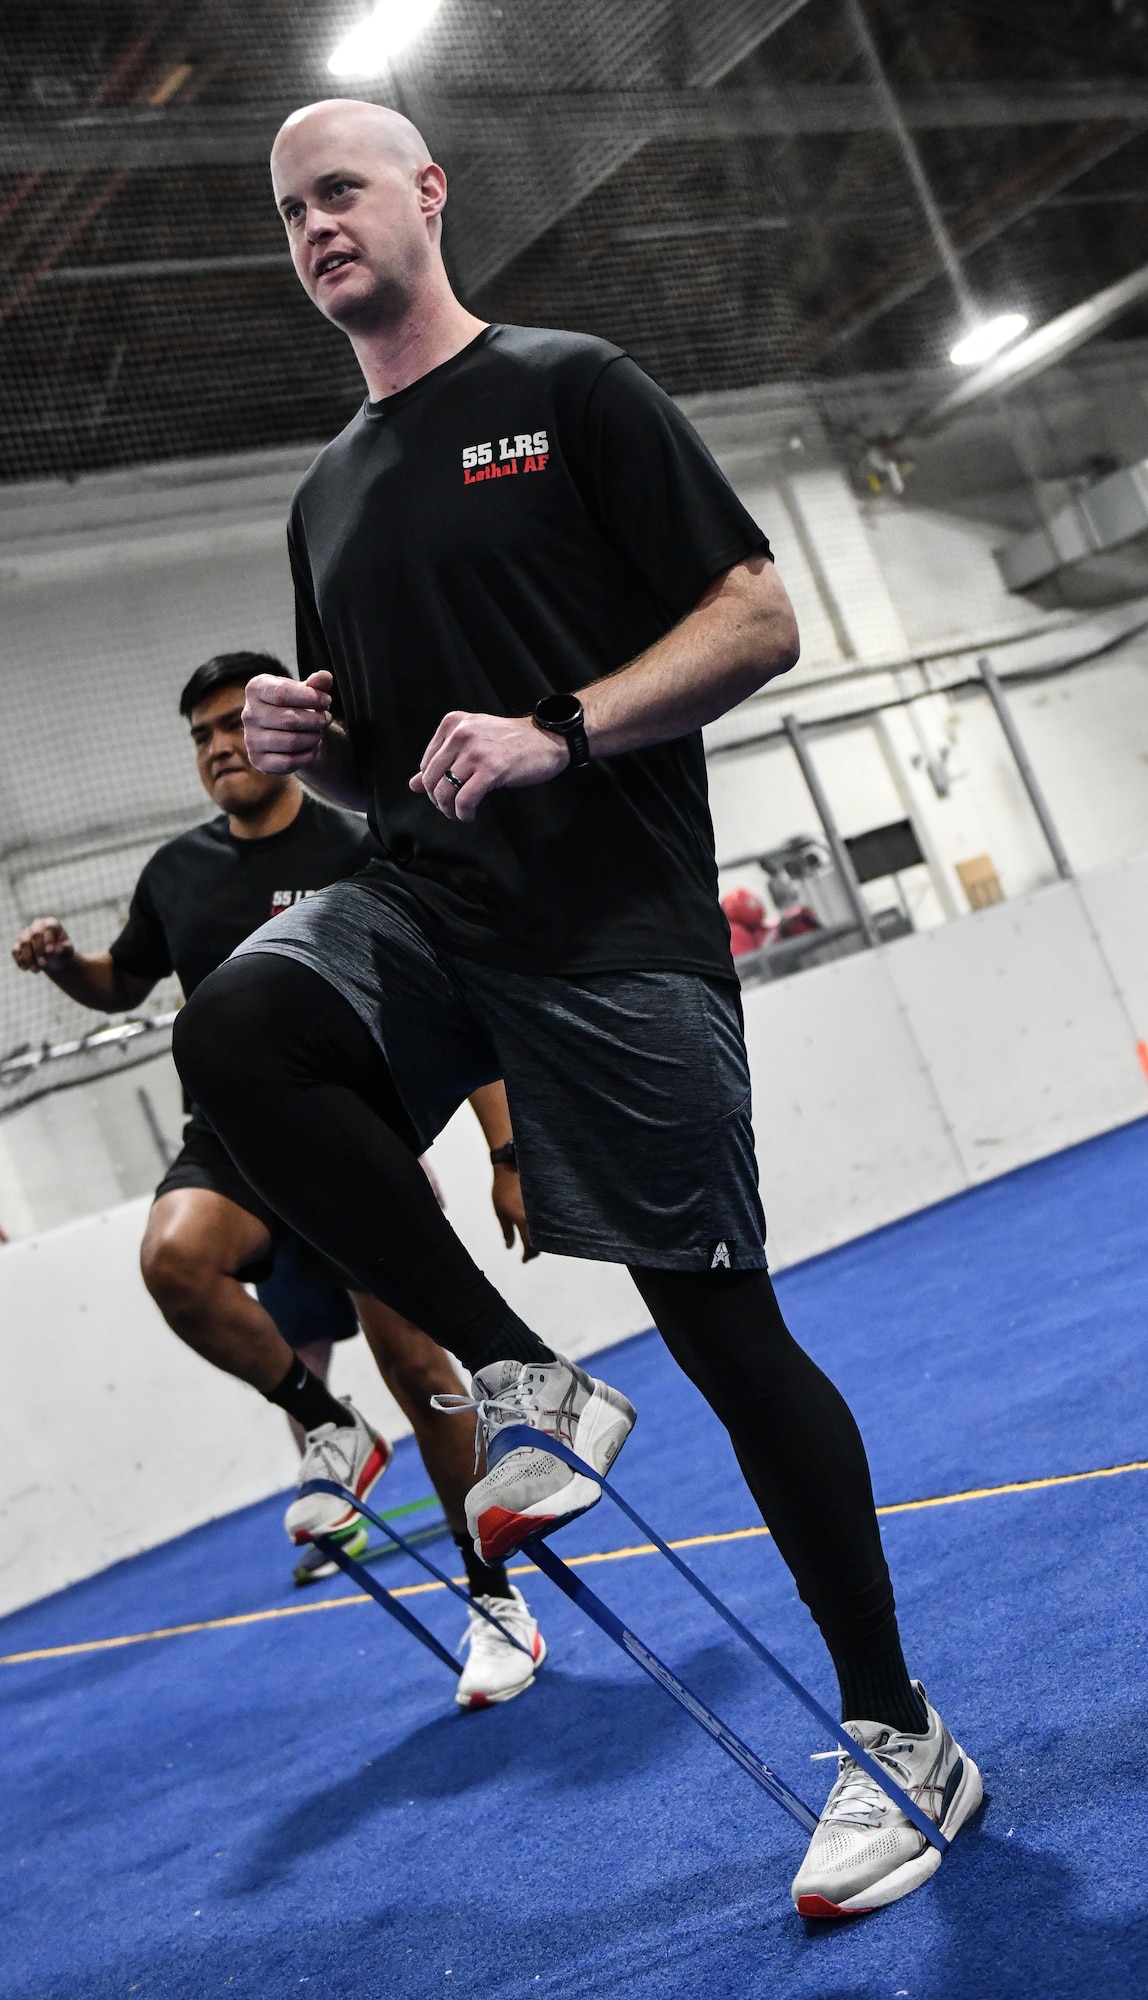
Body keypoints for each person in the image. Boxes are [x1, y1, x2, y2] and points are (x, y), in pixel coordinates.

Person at [172, 101, 981, 1916]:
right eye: (288, 210)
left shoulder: (573, 385)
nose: (315, 227)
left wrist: (563, 727)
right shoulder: (327, 495)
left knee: (723, 1333)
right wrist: (325, 749)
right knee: (234, 1033)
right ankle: (519, 1367)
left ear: (428, 195)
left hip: (612, 932)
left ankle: (899, 1732)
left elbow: (757, 620)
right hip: (423, 914)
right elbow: (391, 778)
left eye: (342, 192)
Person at [11, 650, 546, 1708]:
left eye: (230, 724)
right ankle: (326, 1423)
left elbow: (455, 1001)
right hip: (233, 1139)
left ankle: (494, 1599)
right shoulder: (175, 872)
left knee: (414, 1360)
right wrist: (65, 962)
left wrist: (505, 1149)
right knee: (174, 1259)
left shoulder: (359, 844)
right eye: (199, 735)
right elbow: (123, 980)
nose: (217, 746)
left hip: (353, 1130)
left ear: (281, 726)